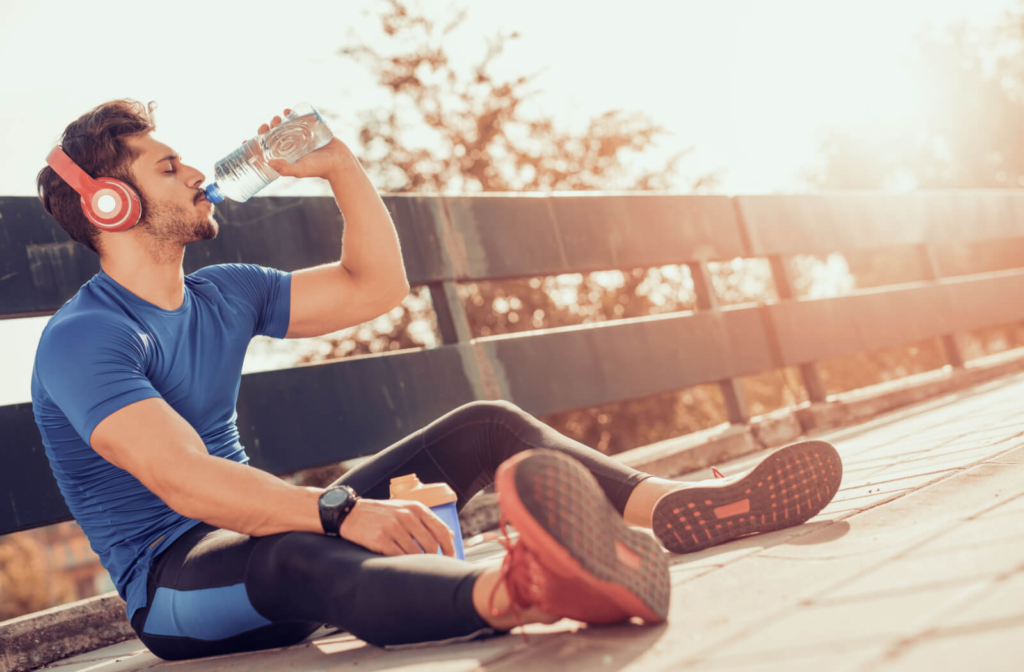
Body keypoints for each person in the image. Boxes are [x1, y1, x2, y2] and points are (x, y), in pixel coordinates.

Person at [32, 99, 843, 661]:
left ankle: (687, 509)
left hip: (273, 528)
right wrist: (341, 514)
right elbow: (186, 482)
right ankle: (513, 592)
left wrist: (341, 167)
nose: (198, 176)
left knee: (486, 423)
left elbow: (374, 287)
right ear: (110, 203)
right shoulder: (87, 338)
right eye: (169, 168)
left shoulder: (224, 291)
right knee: (294, 562)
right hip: (179, 589)